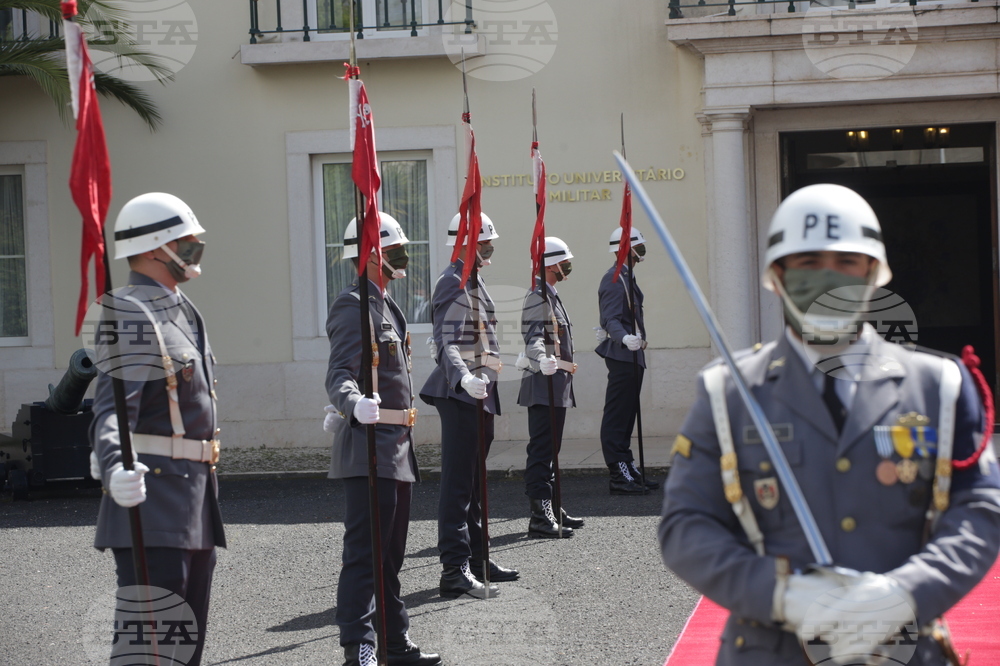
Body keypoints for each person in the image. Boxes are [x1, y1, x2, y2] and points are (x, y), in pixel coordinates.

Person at [659, 183, 1000, 666]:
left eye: (846, 262)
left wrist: (905, 593)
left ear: (872, 273)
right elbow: (685, 526)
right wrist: (781, 595)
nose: (828, 278)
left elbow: (980, 509)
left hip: (904, 648)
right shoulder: (728, 392)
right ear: (776, 276)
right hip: (771, 650)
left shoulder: (940, 384)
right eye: (808, 262)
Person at [90, 192, 224, 666]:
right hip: (151, 502)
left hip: (194, 504)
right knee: (147, 653)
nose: (195, 248)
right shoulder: (128, 311)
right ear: (154, 249)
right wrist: (112, 468)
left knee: (184, 650)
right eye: (185, 241)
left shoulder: (182, 309)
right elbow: (110, 412)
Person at [326, 212, 441, 666]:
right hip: (369, 448)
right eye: (394, 250)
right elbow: (338, 373)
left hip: (397, 447)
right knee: (365, 554)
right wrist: (351, 402)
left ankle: (395, 641)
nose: (403, 257)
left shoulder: (388, 306)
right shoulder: (351, 304)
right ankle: (361, 647)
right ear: (371, 255)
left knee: (391, 555)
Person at [420, 212, 517, 599]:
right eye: (484, 243)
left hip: (480, 392)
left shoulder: (473, 279)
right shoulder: (452, 281)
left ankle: (477, 558)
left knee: (475, 484)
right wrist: (463, 376)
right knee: (458, 486)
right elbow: (447, 341)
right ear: (465, 243)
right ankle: (454, 568)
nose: (490, 249)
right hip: (460, 392)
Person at [516, 237, 585, 538]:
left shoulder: (551, 296)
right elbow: (532, 337)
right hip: (543, 384)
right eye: (564, 261)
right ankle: (540, 516)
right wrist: (541, 357)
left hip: (557, 385)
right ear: (552, 265)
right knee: (542, 451)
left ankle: (553, 507)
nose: (568, 266)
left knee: (551, 451)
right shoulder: (538, 297)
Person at [596, 227, 658, 495]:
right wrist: (624, 339)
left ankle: (628, 465)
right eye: (638, 246)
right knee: (617, 416)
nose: (642, 251)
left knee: (628, 414)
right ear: (625, 249)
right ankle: (618, 473)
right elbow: (610, 319)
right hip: (622, 355)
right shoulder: (613, 279)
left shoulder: (626, 277)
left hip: (633, 355)